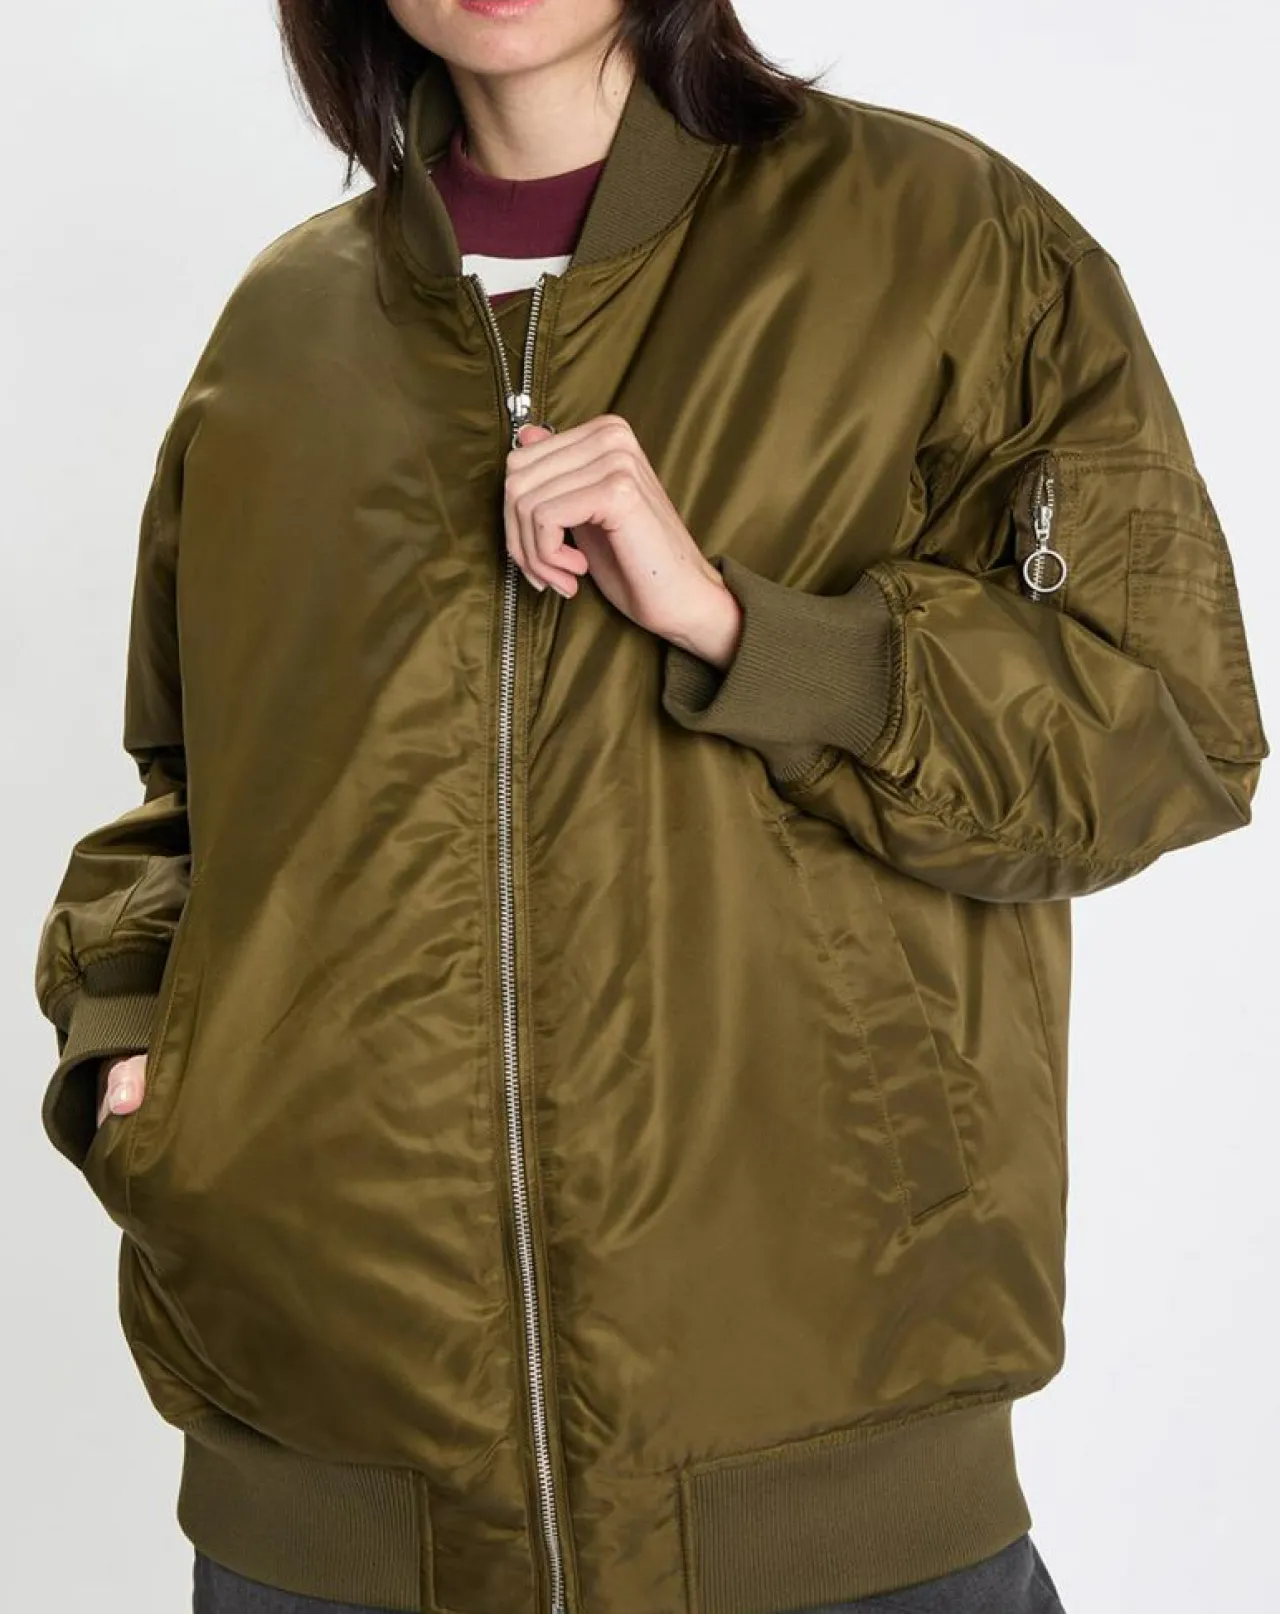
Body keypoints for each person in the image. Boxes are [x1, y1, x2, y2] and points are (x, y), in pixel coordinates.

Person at [33, 2, 1268, 1612]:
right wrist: (134, 1050)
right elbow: (192, 796)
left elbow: (1163, 726)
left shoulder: (944, 243)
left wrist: (752, 632)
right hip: (327, 1513)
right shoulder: (283, 330)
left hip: (835, 1504)